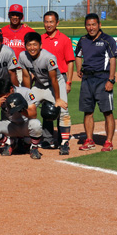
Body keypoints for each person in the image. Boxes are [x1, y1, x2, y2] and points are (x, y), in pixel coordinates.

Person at [18, 32, 70, 153]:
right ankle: (27, 140)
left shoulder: (48, 57)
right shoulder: (22, 56)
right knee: (27, 109)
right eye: (29, 45)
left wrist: (57, 99)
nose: (32, 48)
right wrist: (27, 95)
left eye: (35, 45)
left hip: (55, 84)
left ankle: (64, 142)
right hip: (39, 85)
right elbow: (26, 76)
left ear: (40, 45)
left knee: (63, 110)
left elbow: (54, 79)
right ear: (25, 46)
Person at [75, 13, 117, 151]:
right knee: (87, 112)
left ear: (99, 25)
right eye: (88, 25)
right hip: (87, 79)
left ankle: (109, 141)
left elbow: (112, 59)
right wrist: (78, 69)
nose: (91, 27)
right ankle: (89, 140)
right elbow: (78, 55)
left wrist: (111, 79)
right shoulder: (83, 40)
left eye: (94, 24)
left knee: (107, 112)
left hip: (103, 78)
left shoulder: (107, 40)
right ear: (85, 26)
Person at [0, 79, 43, 159]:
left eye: (5, 94)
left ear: (11, 89)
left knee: (36, 124)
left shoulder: (26, 92)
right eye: (0, 95)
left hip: (25, 125)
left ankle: (34, 147)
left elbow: (34, 115)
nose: (3, 97)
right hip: (10, 125)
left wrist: (20, 109)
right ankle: (10, 143)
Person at [41, 10, 75, 146]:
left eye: (51, 22)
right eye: (46, 22)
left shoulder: (64, 39)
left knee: (62, 108)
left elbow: (70, 62)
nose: (48, 24)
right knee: (47, 109)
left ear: (57, 23)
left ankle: (63, 139)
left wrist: (69, 82)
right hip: (45, 78)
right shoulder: (41, 39)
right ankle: (48, 139)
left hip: (61, 77)